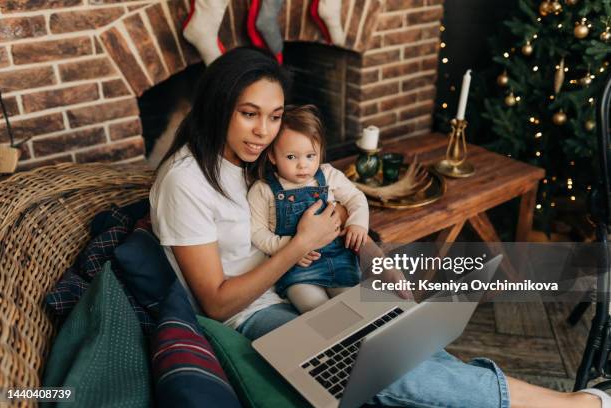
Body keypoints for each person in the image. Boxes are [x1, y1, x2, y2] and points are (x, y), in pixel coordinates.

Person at [149, 46, 607, 408]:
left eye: (273, 116)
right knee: (372, 363)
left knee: (405, 336)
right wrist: (297, 247)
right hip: (251, 311)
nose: (263, 132)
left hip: (308, 278)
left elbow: (330, 205)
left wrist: (370, 252)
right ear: (217, 106)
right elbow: (214, 300)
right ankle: (572, 405)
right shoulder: (185, 182)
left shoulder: (256, 158)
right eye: (248, 114)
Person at [247, 104, 368, 313]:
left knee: (355, 305)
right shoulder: (263, 190)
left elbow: (355, 198)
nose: (303, 165)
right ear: (273, 156)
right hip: (296, 266)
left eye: (310, 156)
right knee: (316, 310)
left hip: (338, 258)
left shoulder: (328, 175)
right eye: (291, 157)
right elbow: (256, 232)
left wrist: (358, 223)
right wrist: (288, 247)